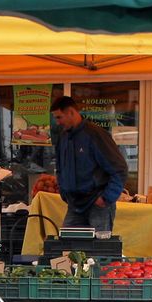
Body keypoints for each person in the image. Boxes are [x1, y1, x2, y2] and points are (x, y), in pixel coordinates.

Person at [49, 96, 128, 233]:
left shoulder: (95, 135)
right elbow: (60, 168)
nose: (57, 122)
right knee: (68, 247)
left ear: (71, 112)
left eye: (59, 117)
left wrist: (106, 198)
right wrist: (64, 192)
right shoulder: (63, 138)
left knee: (98, 250)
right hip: (74, 205)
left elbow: (120, 169)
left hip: (98, 205)